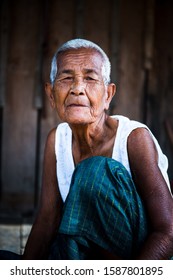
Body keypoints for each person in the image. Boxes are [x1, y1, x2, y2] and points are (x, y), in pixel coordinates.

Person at [1, 38, 173, 260]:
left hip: (140, 263)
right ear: (51, 95)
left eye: (90, 78)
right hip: (85, 260)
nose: (77, 89)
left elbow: (167, 231)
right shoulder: (57, 140)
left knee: (92, 171)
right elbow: (47, 219)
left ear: (108, 95)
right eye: (66, 78)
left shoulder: (133, 138)